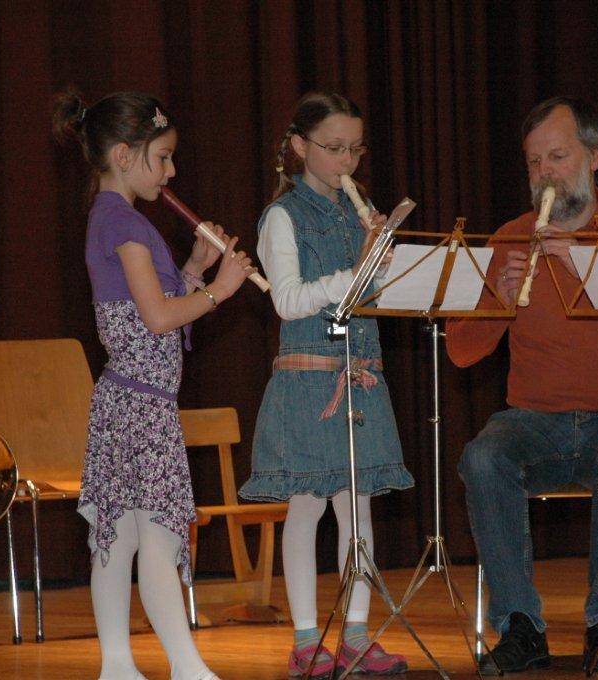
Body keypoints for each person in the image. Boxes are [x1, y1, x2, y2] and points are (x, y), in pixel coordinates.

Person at [446, 96, 598, 676]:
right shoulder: (510, 238)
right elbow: (461, 351)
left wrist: (595, 267)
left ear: (594, 158)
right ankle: (521, 627)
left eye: (557, 157)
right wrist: (498, 302)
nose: (545, 174)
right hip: (534, 422)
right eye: (534, 162)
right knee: (482, 457)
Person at [54, 90, 253, 680]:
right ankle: (187, 668)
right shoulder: (124, 222)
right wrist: (223, 288)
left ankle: (118, 665)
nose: (171, 172)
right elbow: (160, 318)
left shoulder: (113, 219)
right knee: (159, 540)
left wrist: (194, 267)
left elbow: (153, 305)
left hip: (129, 401)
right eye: (162, 157)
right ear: (123, 155)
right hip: (139, 405)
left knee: (118, 541)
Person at [238, 91, 413, 679]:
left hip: (362, 374)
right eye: (334, 148)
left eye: (355, 150)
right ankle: (306, 639)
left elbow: (378, 295)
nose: (347, 161)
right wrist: (358, 271)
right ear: (299, 146)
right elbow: (288, 302)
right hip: (310, 377)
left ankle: (356, 635)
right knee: (307, 505)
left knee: (358, 510)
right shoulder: (282, 216)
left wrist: (387, 266)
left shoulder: (361, 212)